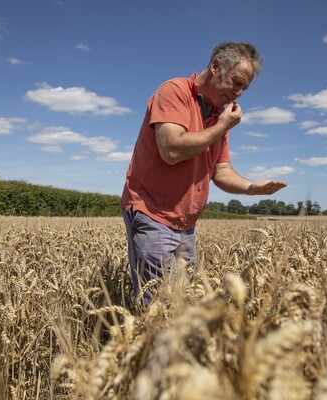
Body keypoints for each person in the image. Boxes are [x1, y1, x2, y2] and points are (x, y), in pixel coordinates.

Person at [121, 42, 286, 303]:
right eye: (237, 82)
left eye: (244, 88)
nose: (239, 93)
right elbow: (171, 150)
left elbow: (221, 170)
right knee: (158, 308)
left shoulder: (219, 115)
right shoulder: (174, 91)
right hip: (154, 214)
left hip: (187, 225)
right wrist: (221, 127)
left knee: (185, 302)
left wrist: (252, 188)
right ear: (216, 66)